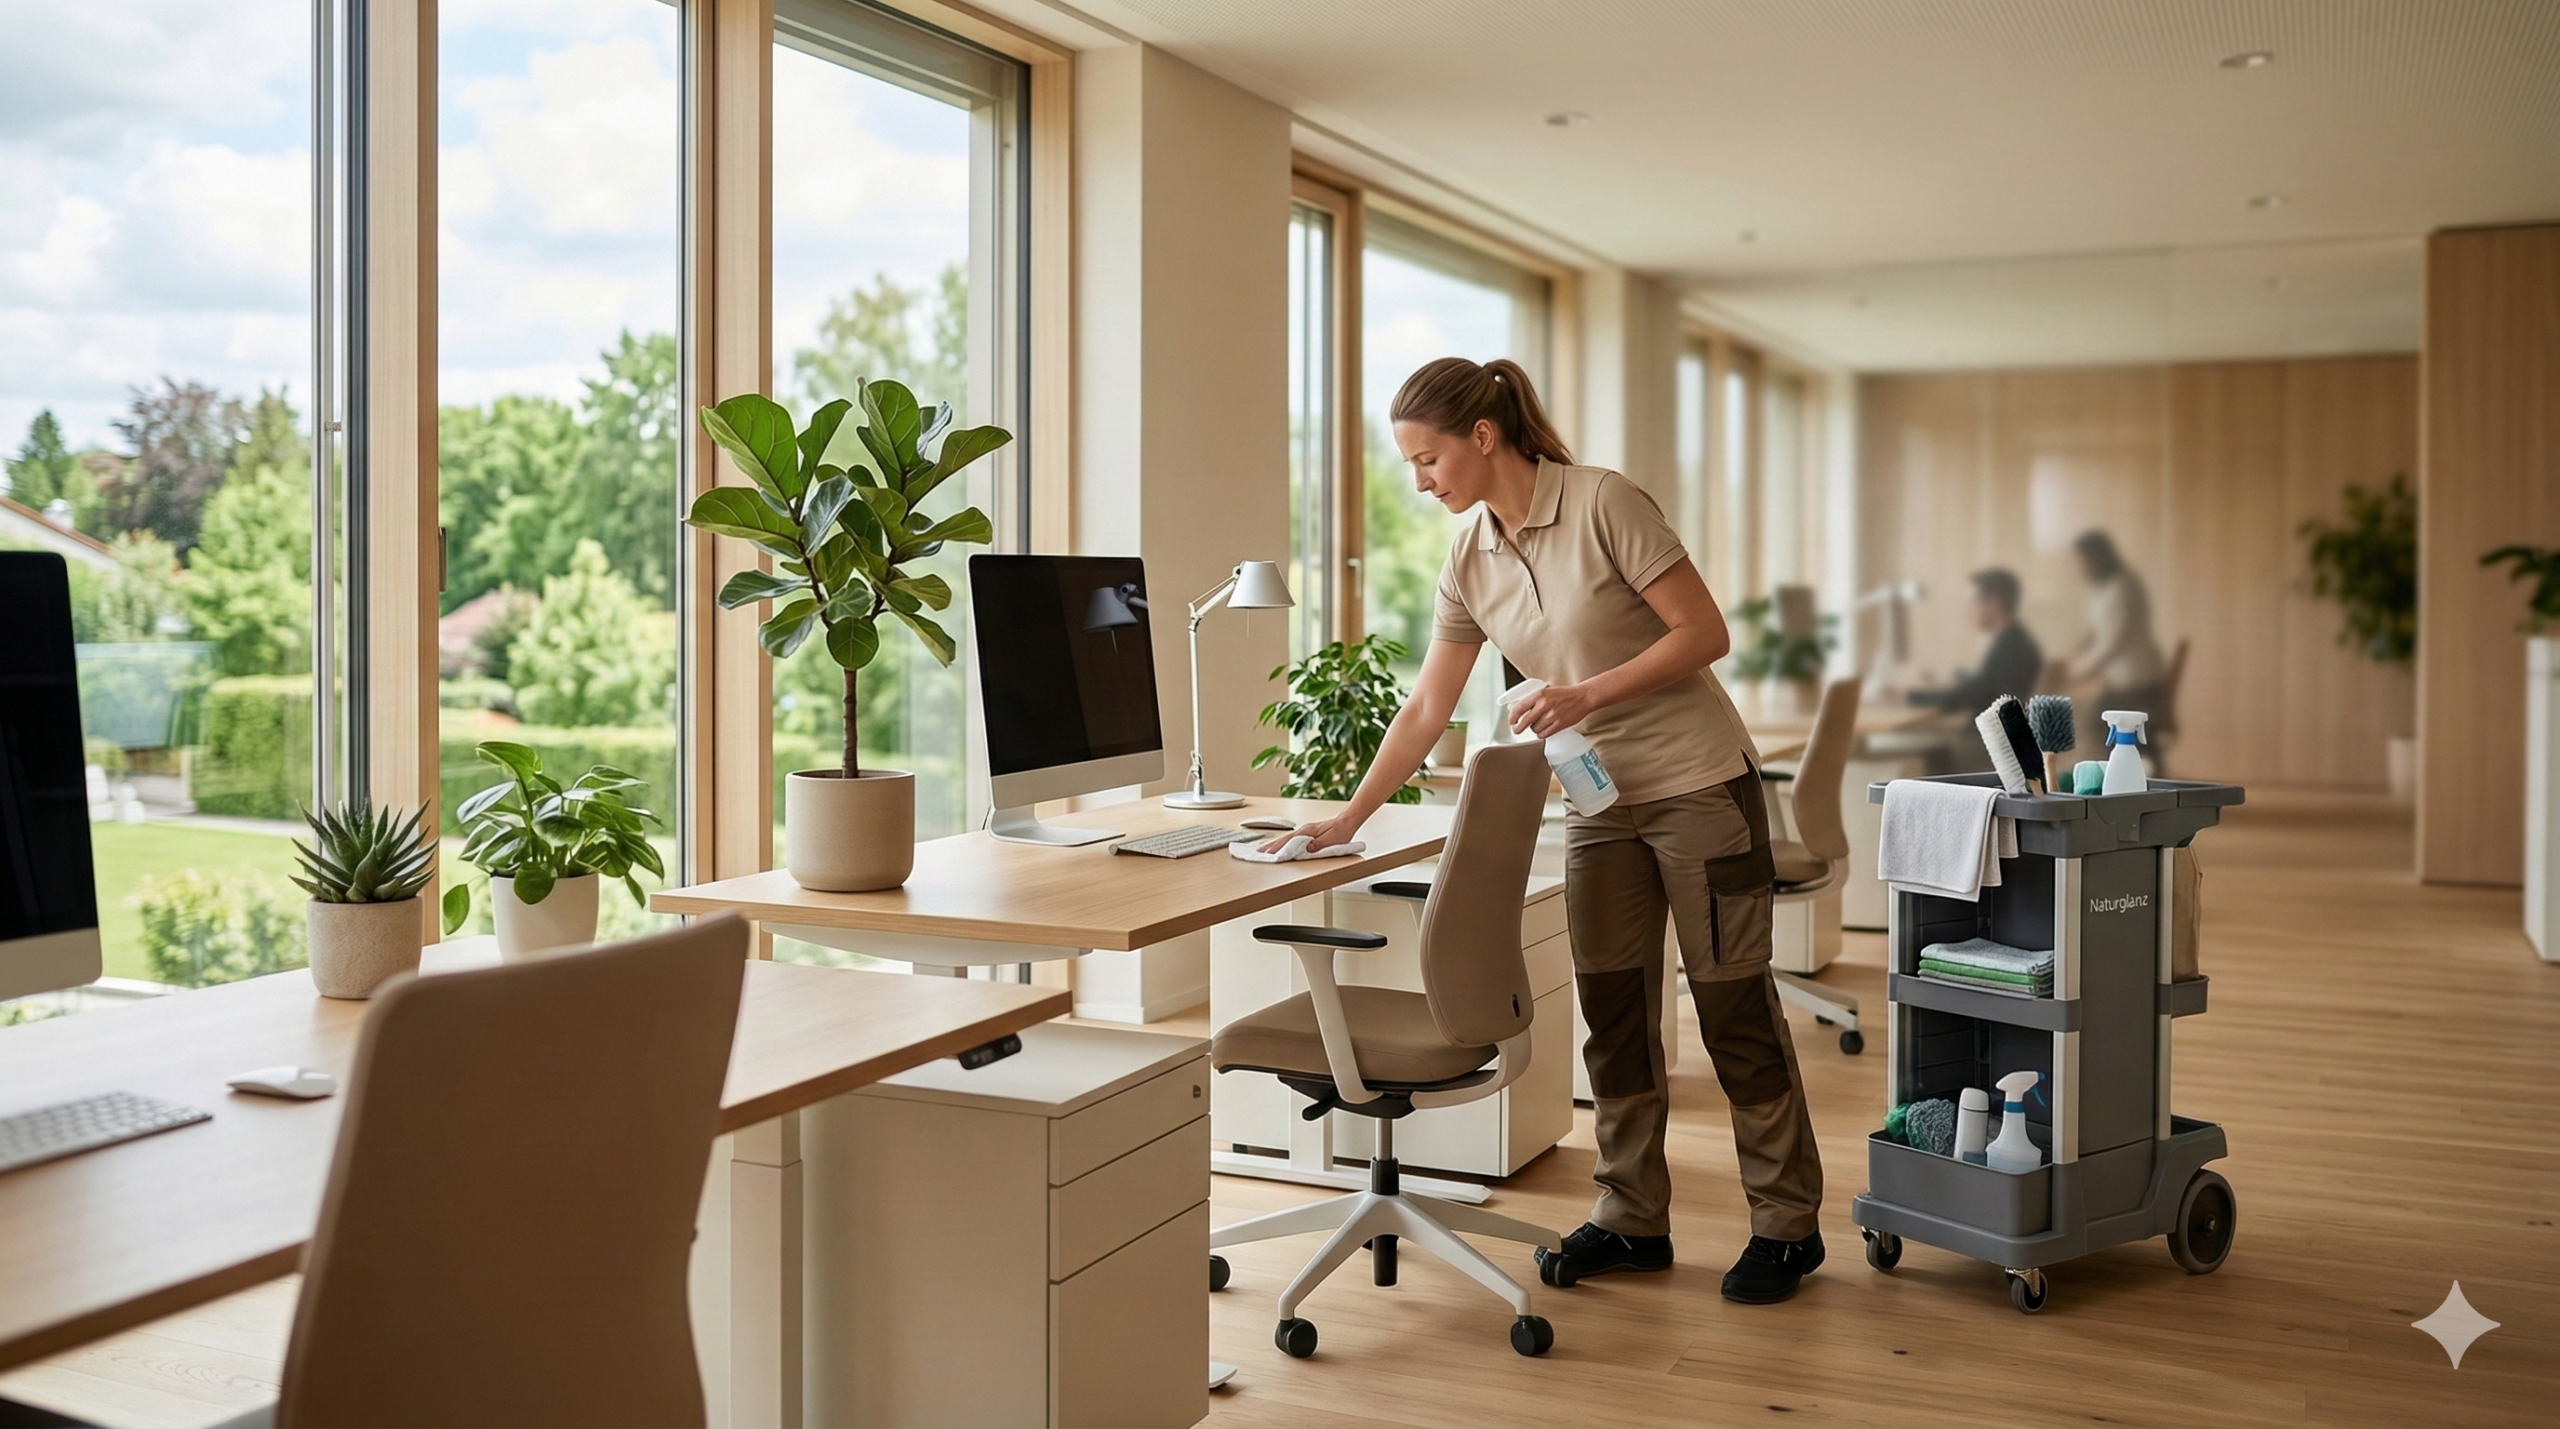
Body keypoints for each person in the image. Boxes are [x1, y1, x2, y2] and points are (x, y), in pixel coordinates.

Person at [1265, 356, 1826, 1305]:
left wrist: (1583, 695)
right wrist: (1348, 816)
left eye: (1427, 458)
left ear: (1483, 437)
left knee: (1732, 1005)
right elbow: (1425, 708)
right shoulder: (1468, 557)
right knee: (1611, 1011)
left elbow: (1704, 632)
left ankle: (1786, 1223)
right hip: (1601, 806)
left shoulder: (1605, 502)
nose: (1421, 480)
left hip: (1698, 785)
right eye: (1408, 465)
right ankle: (1632, 1215)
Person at [1904, 567, 2042, 712]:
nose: (1970, 610)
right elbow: (1984, 684)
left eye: (1973, 602)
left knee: (1895, 736)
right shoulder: (2016, 640)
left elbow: (1969, 695)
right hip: (1998, 729)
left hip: (1983, 733)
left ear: (1995, 602)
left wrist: (1910, 697)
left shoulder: (2011, 647)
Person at [2065, 530, 2167, 717]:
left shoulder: (2124, 586)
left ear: (2096, 558)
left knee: (2079, 718)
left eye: (2080, 561)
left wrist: (2079, 672)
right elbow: (2094, 633)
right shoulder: (2099, 590)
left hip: (2136, 683)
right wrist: (2068, 657)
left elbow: (2114, 643)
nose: (2077, 568)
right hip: (2117, 682)